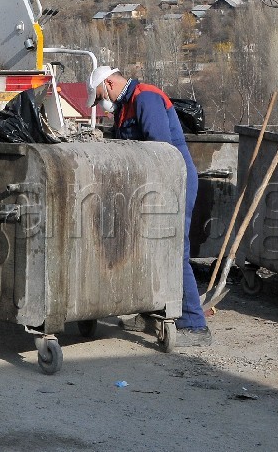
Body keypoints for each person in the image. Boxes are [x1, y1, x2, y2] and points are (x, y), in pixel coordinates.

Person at [87, 65, 212, 348]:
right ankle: (150, 311)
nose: (100, 105)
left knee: (173, 250)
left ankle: (194, 324)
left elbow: (160, 151)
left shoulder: (146, 98)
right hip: (150, 185)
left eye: (98, 97)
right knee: (145, 249)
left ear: (108, 83)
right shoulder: (124, 106)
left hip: (172, 181)